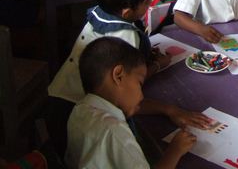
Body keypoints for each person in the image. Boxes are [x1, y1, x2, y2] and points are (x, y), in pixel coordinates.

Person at [47, 0, 210, 156]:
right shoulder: (125, 36)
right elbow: (125, 88)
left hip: (57, 101)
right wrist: (158, 67)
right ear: (127, 12)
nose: (150, 3)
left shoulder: (100, 12)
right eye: (146, 1)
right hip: (78, 116)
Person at [65, 37, 197, 169]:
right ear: (119, 75)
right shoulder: (114, 132)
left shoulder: (79, 110)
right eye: (139, 83)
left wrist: (168, 109)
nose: (141, 95)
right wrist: (175, 151)